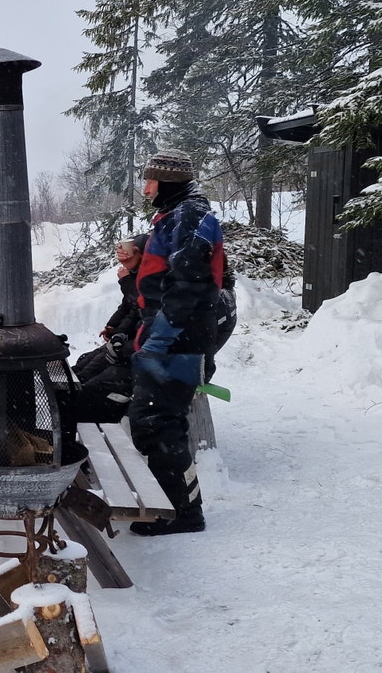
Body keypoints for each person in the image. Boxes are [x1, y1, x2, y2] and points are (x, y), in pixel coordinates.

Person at [127, 150, 225, 536]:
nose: (146, 187)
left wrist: (160, 339)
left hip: (178, 340)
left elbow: (188, 284)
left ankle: (182, 513)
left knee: (159, 423)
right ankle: (174, 506)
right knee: (153, 422)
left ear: (167, 181)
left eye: (150, 180)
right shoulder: (178, 215)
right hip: (172, 335)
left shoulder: (189, 217)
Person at [64, 234, 147, 425]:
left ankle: (85, 425)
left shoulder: (151, 284)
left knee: (89, 385)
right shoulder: (137, 278)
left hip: (139, 358)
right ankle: (70, 420)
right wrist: (114, 330)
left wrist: (120, 349)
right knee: (81, 367)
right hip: (129, 348)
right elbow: (130, 311)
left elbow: (145, 320)